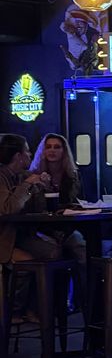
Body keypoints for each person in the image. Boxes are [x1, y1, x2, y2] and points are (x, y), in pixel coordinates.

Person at [0, 133, 57, 321]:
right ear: (18, 156)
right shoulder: (2, 177)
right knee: (32, 261)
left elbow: (37, 209)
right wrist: (27, 185)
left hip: (19, 236)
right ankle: (15, 311)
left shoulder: (21, 176)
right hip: (4, 239)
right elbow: (8, 209)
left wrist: (42, 187)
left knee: (54, 251)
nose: (30, 154)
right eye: (27, 151)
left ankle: (38, 309)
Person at [29, 134, 86, 265]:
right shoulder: (34, 174)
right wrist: (45, 187)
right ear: (43, 151)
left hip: (68, 226)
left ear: (64, 151)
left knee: (81, 246)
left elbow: (80, 202)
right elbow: (33, 206)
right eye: (48, 147)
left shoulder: (73, 175)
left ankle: (87, 279)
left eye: (57, 147)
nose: (52, 150)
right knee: (53, 248)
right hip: (41, 227)